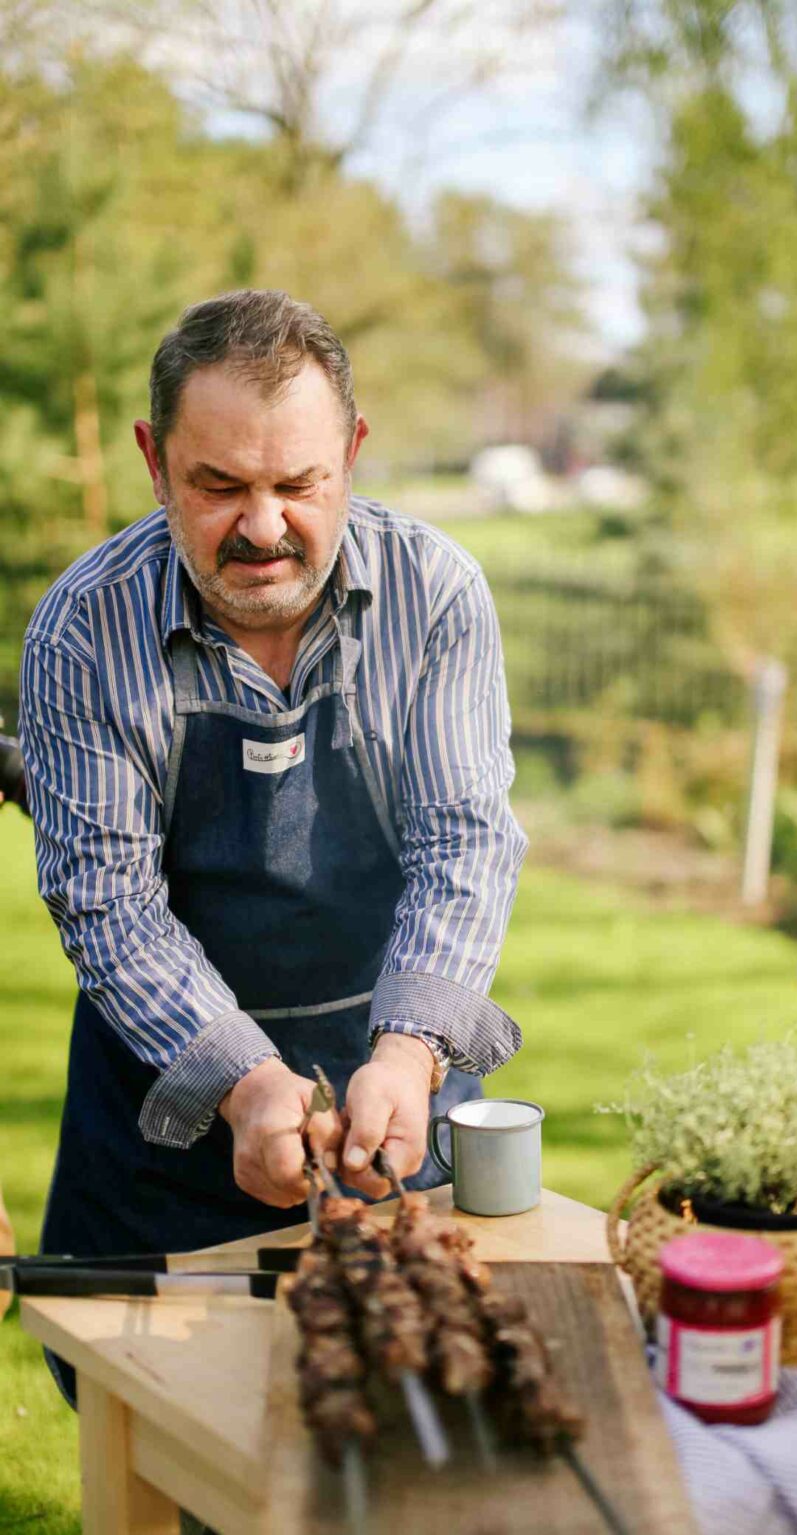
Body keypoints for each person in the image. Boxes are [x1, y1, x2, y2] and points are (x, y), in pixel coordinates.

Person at [20, 290, 528, 1399]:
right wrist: (247, 1082)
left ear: (350, 452)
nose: (262, 526)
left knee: (402, 1413)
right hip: (165, 1113)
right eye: (218, 486)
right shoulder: (81, 629)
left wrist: (406, 1055)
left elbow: (462, 839)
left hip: (382, 1096)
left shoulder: (435, 594)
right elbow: (108, 902)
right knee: (165, 1435)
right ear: (156, 463)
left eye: (297, 484)